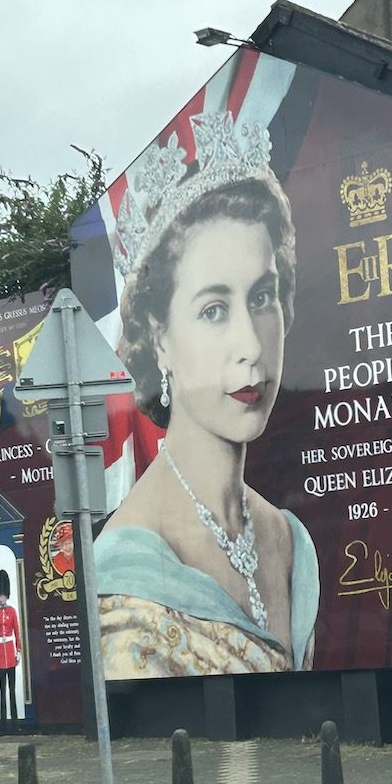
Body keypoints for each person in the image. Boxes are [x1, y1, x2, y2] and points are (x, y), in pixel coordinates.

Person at [94, 110, 319, 679]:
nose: (250, 344)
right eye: (214, 310)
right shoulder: (128, 576)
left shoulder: (289, 540)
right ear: (160, 338)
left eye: (263, 296)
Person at [0, 569, 21, 733]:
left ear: (6, 595)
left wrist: (19, 650)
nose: (2, 598)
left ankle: (15, 723)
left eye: (3, 595)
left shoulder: (12, 611)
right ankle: (3, 722)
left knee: (12, 690)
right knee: (2, 690)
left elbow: (16, 631)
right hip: (1, 654)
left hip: (10, 652)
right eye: (0, 595)